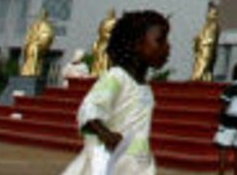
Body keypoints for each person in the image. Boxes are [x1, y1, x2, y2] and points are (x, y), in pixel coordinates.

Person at [61, 10, 172, 175]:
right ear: (136, 44)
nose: (167, 47)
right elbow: (90, 108)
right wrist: (106, 135)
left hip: (135, 163)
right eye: (160, 40)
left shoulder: (145, 88)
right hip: (108, 163)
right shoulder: (117, 77)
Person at [20, 9, 56, 78]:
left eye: (43, 15)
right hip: (32, 44)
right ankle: (27, 71)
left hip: (40, 45)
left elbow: (48, 36)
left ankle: (33, 70)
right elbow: (29, 36)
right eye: (40, 14)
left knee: (34, 48)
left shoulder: (47, 26)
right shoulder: (35, 25)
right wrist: (27, 43)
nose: (41, 16)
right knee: (29, 49)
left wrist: (39, 42)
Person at [192, 4, 221, 82]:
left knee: (204, 63)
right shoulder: (207, 25)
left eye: (212, 13)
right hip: (202, 47)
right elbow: (202, 35)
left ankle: (198, 77)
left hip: (207, 47)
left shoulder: (214, 25)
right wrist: (198, 39)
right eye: (209, 13)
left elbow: (212, 39)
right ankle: (201, 77)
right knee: (199, 62)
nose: (210, 15)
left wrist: (202, 41)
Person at [91, 9, 118, 76]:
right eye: (109, 12)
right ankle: (98, 71)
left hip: (112, 42)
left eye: (111, 12)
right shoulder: (104, 22)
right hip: (103, 41)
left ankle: (106, 70)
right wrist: (104, 35)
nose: (110, 14)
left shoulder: (116, 22)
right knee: (99, 53)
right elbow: (100, 31)